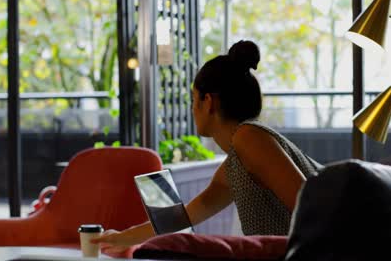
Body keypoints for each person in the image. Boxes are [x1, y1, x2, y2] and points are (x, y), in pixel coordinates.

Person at [91, 40, 322, 254]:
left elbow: (315, 207)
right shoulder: (237, 160)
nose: (192, 109)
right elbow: (181, 217)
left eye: (194, 100)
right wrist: (120, 238)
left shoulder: (249, 137)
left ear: (208, 102)